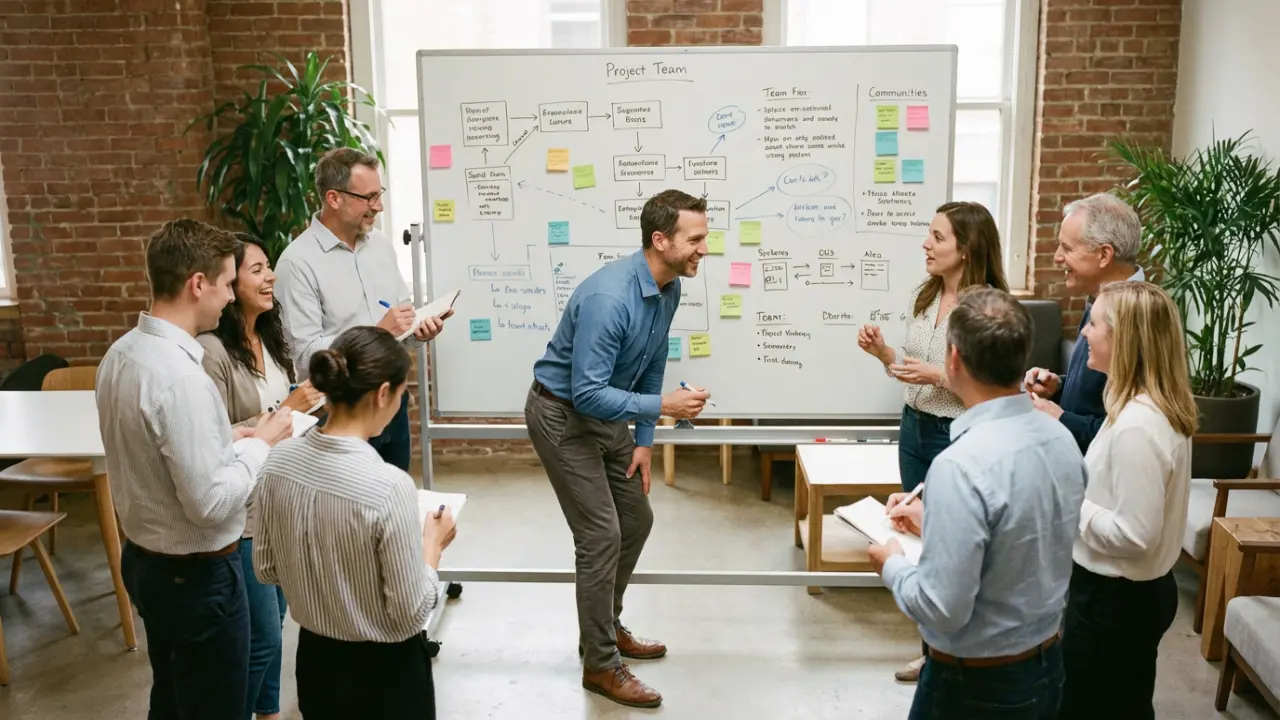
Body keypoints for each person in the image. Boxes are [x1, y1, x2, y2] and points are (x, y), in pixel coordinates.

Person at [96, 219, 295, 720]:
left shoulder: (122, 354)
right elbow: (208, 504)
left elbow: (151, 445)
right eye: (227, 284)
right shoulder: (183, 377)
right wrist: (262, 444)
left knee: (172, 698)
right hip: (198, 577)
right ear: (197, 284)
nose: (231, 297)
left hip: (146, 561)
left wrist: (228, 438)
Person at [524, 188, 712, 708]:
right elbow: (585, 391)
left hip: (605, 416)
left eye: (704, 238)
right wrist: (665, 409)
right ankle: (601, 665)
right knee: (602, 534)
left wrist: (646, 442)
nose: (704, 249)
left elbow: (652, 364)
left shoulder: (668, 287)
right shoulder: (611, 298)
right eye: (694, 239)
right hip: (562, 414)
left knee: (637, 519)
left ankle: (605, 627)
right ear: (660, 239)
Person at [868, 287, 1087, 719]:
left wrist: (891, 564)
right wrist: (936, 523)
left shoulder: (960, 466)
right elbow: (1021, 539)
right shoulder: (1062, 439)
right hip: (1045, 666)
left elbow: (941, 609)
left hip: (975, 686)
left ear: (952, 361)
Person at [252, 326, 457, 720]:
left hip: (315, 663)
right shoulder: (388, 486)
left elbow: (266, 569)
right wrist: (431, 547)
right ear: (383, 393)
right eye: (403, 394)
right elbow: (411, 613)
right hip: (385, 676)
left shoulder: (276, 462)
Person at [856, 201, 1009, 683]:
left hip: (956, 433)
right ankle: (931, 649)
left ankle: (957, 649)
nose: (926, 244)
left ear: (966, 249)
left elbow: (990, 380)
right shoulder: (924, 296)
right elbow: (912, 367)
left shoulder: (987, 307)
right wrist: (884, 353)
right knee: (915, 535)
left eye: (938, 237)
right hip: (915, 426)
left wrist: (939, 375)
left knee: (953, 544)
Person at [195, 232, 324, 720]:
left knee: (277, 620)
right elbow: (212, 436)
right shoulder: (211, 352)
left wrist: (305, 407)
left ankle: (267, 713)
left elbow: (284, 411)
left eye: (269, 267)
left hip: (281, 498)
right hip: (244, 510)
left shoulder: (272, 336)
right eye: (256, 270)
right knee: (262, 635)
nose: (271, 277)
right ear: (229, 285)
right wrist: (285, 409)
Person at [1058, 281, 1196, 719]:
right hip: (1127, 596)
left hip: (1114, 602)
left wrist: (1070, 500)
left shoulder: (1139, 425)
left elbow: (1134, 535)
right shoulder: (1138, 406)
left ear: (1124, 339)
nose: (1084, 334)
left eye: (1094, 324)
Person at [274, 147, 451, 471]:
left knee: (392, 501)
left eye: (379, 194)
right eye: (368, 197)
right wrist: (378, 332)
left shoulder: (381, 246)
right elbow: (304, 356)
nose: (379, 206)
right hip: (340, 414)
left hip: (391, 405)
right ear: (333, 198)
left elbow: (400, 327)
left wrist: (418, 331)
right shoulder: (297, 263)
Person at [1024, 192, 1145, 453]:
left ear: (1104, 255)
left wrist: (1060, 419)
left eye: (1067, 248)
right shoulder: (1101, 297)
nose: (1057, 257)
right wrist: (1058, 387)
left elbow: (1126, 435)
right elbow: (1098, 394)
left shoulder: (1138, 319)